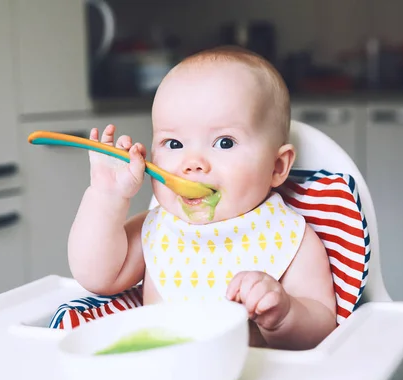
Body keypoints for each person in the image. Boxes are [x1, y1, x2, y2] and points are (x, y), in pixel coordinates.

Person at [67, 46, 336, 350]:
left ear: (277, 167)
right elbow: (96, 275)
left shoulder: (288, 237)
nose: (192, 162)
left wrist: (285, 313)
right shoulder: (158, 229)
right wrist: (106, 195)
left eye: (224, 142)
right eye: (174, 142)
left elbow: (323, 326)